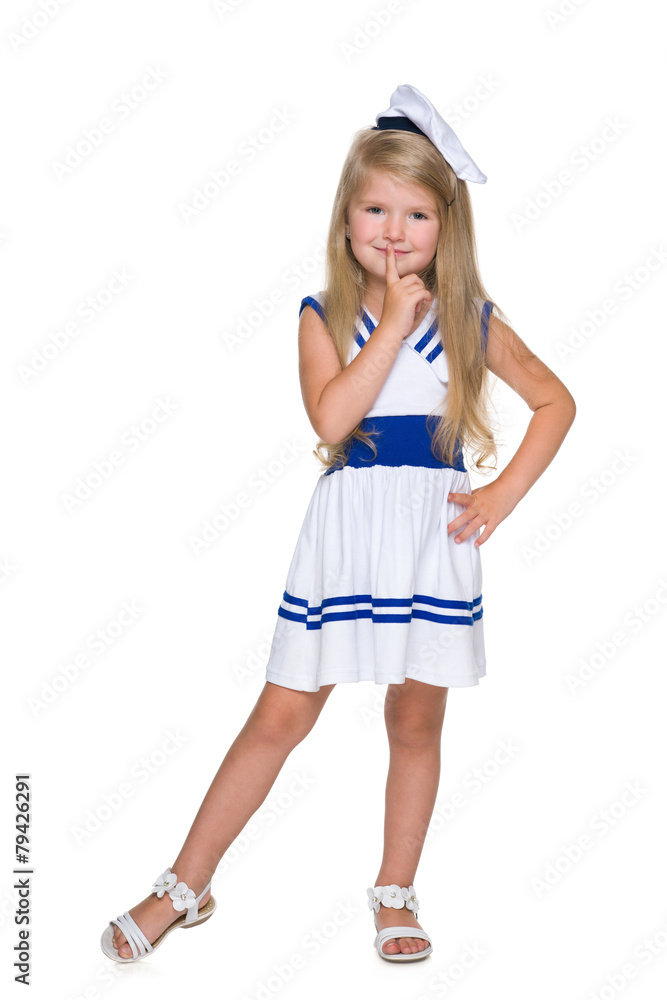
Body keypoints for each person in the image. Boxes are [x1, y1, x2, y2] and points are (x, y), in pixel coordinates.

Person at [100, 83, 576, 965]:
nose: (393, 231)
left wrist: (501, 494)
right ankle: (185, 885)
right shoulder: (321, 316)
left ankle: (395, 892)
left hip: (430, 541)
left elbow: (555, 402)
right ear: (345, 216)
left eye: (416, 214)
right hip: (346, 536)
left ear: (446, 226)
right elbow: (330, 418)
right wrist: (390, 325)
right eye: (374, 209)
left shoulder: (469, 319)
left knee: (415, 719)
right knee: (281, 713)